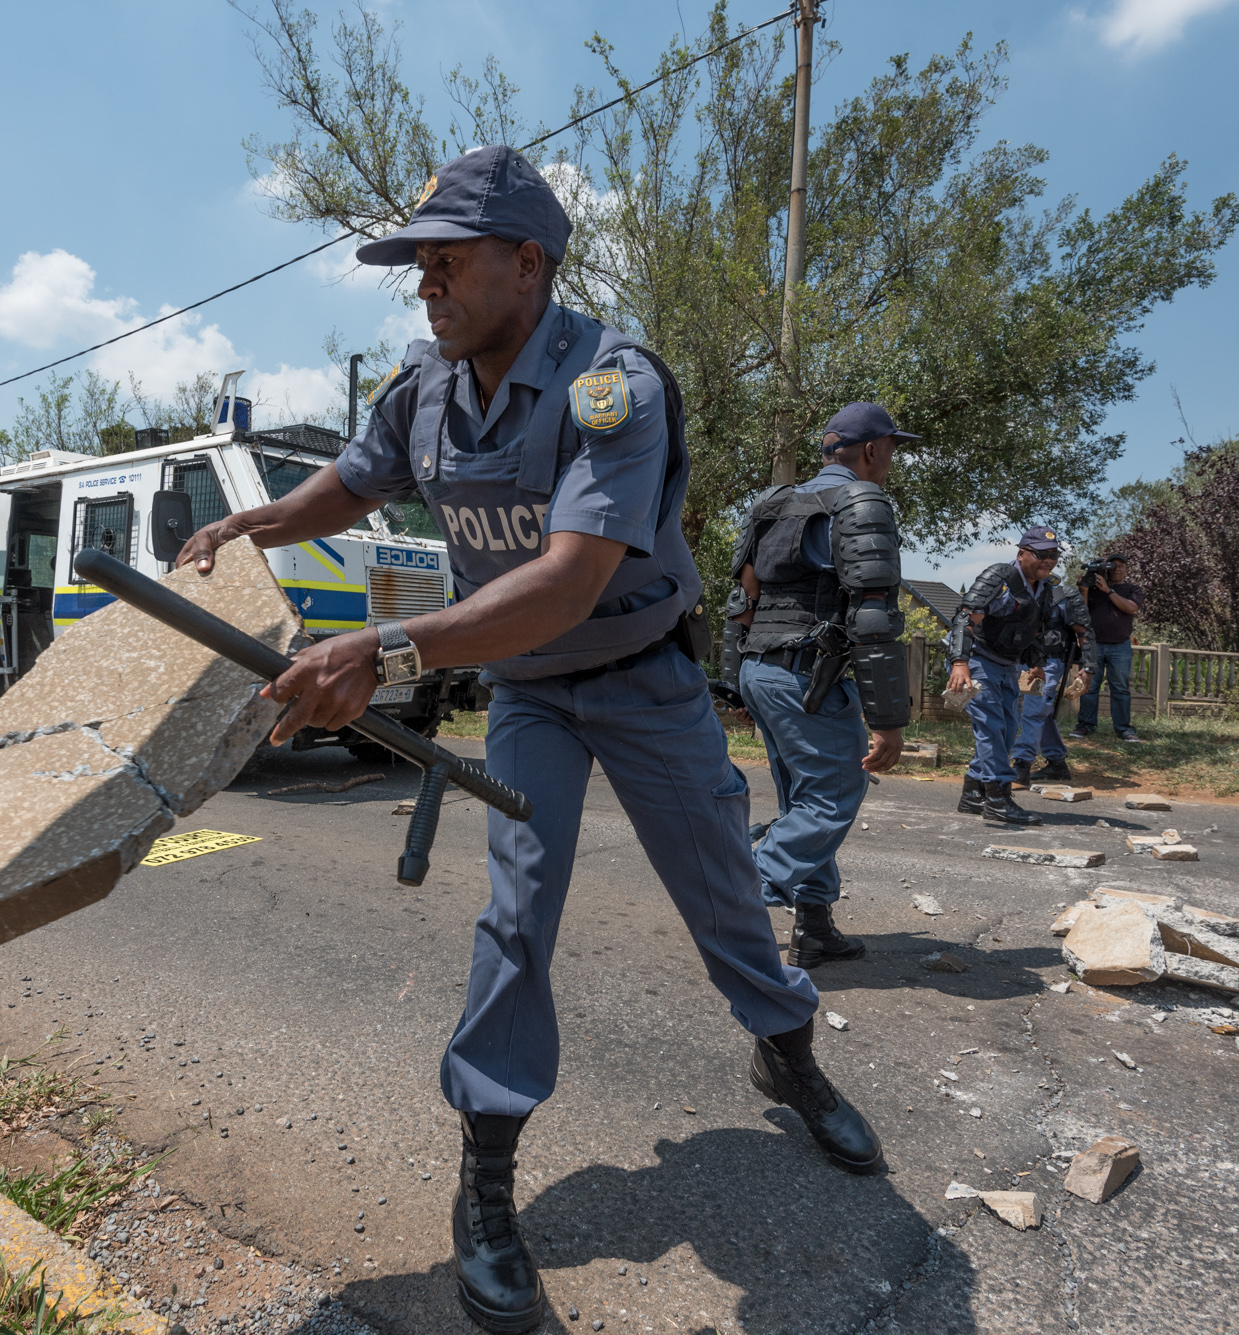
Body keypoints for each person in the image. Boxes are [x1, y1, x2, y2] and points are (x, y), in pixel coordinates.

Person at [181, 147, 882, 1334]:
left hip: (640, 674)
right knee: (517, 910)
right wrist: (258, 522)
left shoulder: (614, 387)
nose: (424, 285)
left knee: (722, 889)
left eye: (445, 262)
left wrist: (387, 652)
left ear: (526, 264)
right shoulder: (422, 386)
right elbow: (355, 483)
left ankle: (787, 1054)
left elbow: (564, 585)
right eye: (417, 265)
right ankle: (487, 1173)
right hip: (526, 696)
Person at [725, 402, 912, 969]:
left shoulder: (771, 503)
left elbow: (742, 603)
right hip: (807, 675)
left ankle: (813, 925)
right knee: (832, 796)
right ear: (872, 450)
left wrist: (739, 686)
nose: (892, 460)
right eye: (892, 449)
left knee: (801, 801)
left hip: (763, 671)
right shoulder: (861, 501)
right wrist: (888, 721)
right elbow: (873, 617)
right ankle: (735, 902)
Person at [944, 527, 1059, 825]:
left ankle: (973, 792)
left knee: (1007, 729)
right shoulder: (1000, 578)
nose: (1048, 560)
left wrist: (1037, 664)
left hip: (1007, 664)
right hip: (975, 659)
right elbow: (965, 618)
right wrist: (960, 662)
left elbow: (1035, 629)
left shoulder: (1044, 587)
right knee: (992, 726)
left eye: (1053, 555)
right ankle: (998, 798)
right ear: (1021, 554)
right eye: (1041, 554)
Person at [1011, 577, 1097, 788]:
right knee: (1042, 711)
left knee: (1033, 710)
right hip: (1021, 659)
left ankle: (1022, 764)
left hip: (1050, 661)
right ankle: (1056, 761)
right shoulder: (1017, 590)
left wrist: (1088, 668)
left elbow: (1084, 632)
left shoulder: (1064, 595)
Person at [1074, 553, 1143, 742]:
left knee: (1120, 688)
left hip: (1120, 645)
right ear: (1106, 569)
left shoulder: (1132, 589)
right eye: (1113, 565)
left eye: (1121, 565)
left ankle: (1124, 729)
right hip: (1093, 644)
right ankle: (1085, 725)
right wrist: (1084, 589)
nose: (1117, 569)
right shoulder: (1094, 588)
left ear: (1126, 569)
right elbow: (1082, 612)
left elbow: (1131, 608)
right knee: (1089, 686)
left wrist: (1108, 590)